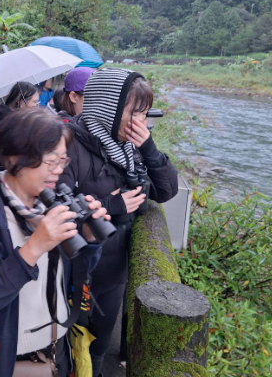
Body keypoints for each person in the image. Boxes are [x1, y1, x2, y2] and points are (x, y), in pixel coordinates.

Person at [0, 108, 110, 377]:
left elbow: (75, 273)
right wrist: (35, 246)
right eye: (50, 161)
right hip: (6, 359)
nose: (59, 170)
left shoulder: (51, 202)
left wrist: (89, 239)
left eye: (63, 160)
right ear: (14, 158)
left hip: (57, 347)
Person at [58, 67, 178, 377]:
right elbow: (54, 205)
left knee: (98, 345)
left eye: (145, 114)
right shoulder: (68, 144)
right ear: (107, 108)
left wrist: (149, 148)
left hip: (113, 272)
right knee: (68, 345)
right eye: (135, 113)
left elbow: (165, 191)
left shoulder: (129, 148)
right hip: (74, 272)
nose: (141, 122)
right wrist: (112, 204)